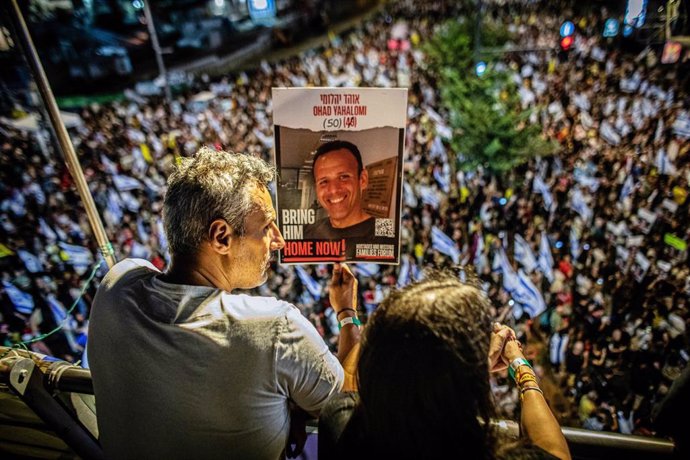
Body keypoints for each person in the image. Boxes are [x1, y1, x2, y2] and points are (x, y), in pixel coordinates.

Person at [88, 147, 361, 460]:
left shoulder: (116, 285)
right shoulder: (276, 330)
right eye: (267, 226)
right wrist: (346, 313)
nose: (279, 239)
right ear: (221, 236)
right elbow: (346, 408)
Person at [318, 270, 571, 460]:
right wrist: (519, 365)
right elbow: (555, 451)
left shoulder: (343, 427)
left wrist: (347, 312)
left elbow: (351, 376)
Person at [304, 140, 394, 259]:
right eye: (324, 181)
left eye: (343, 177)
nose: (334, 190)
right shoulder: (310, 230)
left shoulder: (386, 231)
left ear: (362, 179)